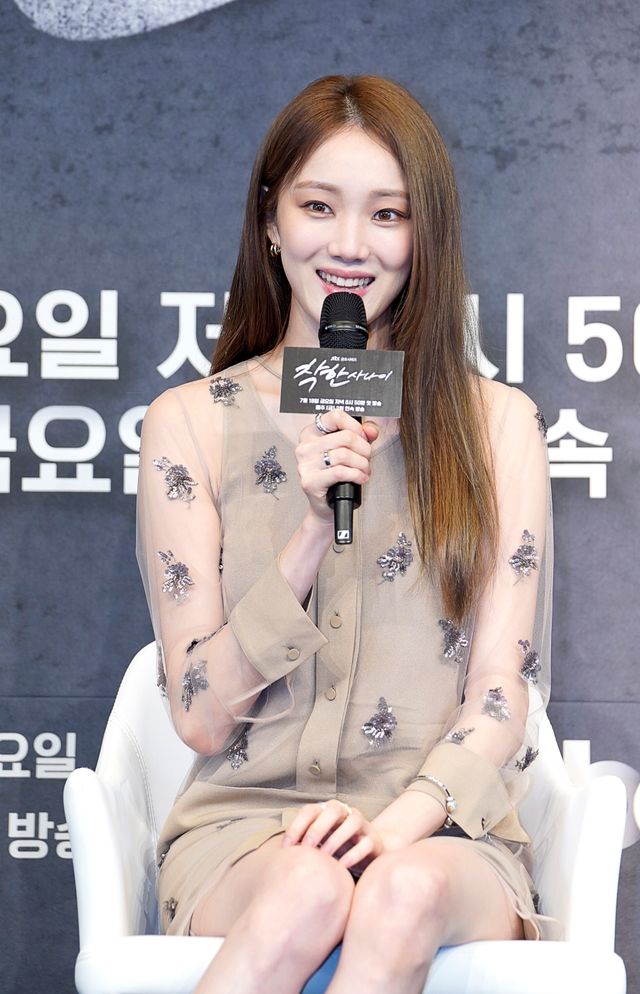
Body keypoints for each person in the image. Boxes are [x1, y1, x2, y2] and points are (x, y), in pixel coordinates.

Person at [136, 74, 555, 994]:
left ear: (425, 235)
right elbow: (200, 716)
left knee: (398, 892)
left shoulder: (497, 426)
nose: (351, 246)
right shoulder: (190, 422)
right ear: (271, 219)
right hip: (246, 835)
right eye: (319, 206)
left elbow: (501, 687)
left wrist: (396, 826)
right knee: (307, 888)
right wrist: (307, 534)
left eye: (388, 214)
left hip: (442, 833)